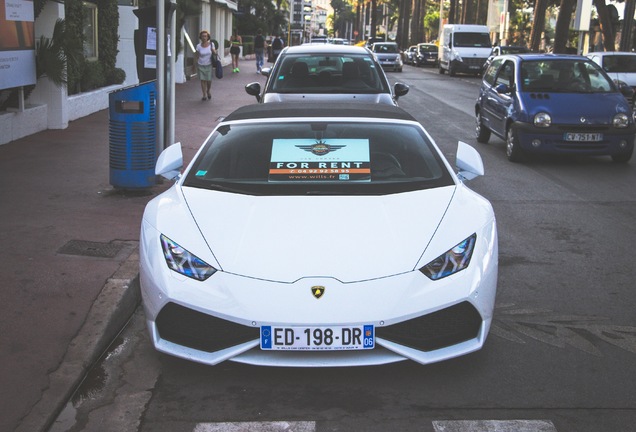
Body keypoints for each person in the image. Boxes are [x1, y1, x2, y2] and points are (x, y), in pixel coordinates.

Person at [195, 30, 216, 100]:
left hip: (209, 64)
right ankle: (204, 94)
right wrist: (195, 64)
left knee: (209, 80)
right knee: (202, 80)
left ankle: (208, 90)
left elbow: (215, 53)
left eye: (205, 36)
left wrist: (214, 51)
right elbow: (197, 56)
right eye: (203, 36)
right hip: (201, 64)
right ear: (200, 37)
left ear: (208, 37)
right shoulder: (198, 46)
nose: (204, 37)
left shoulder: (211, 44)